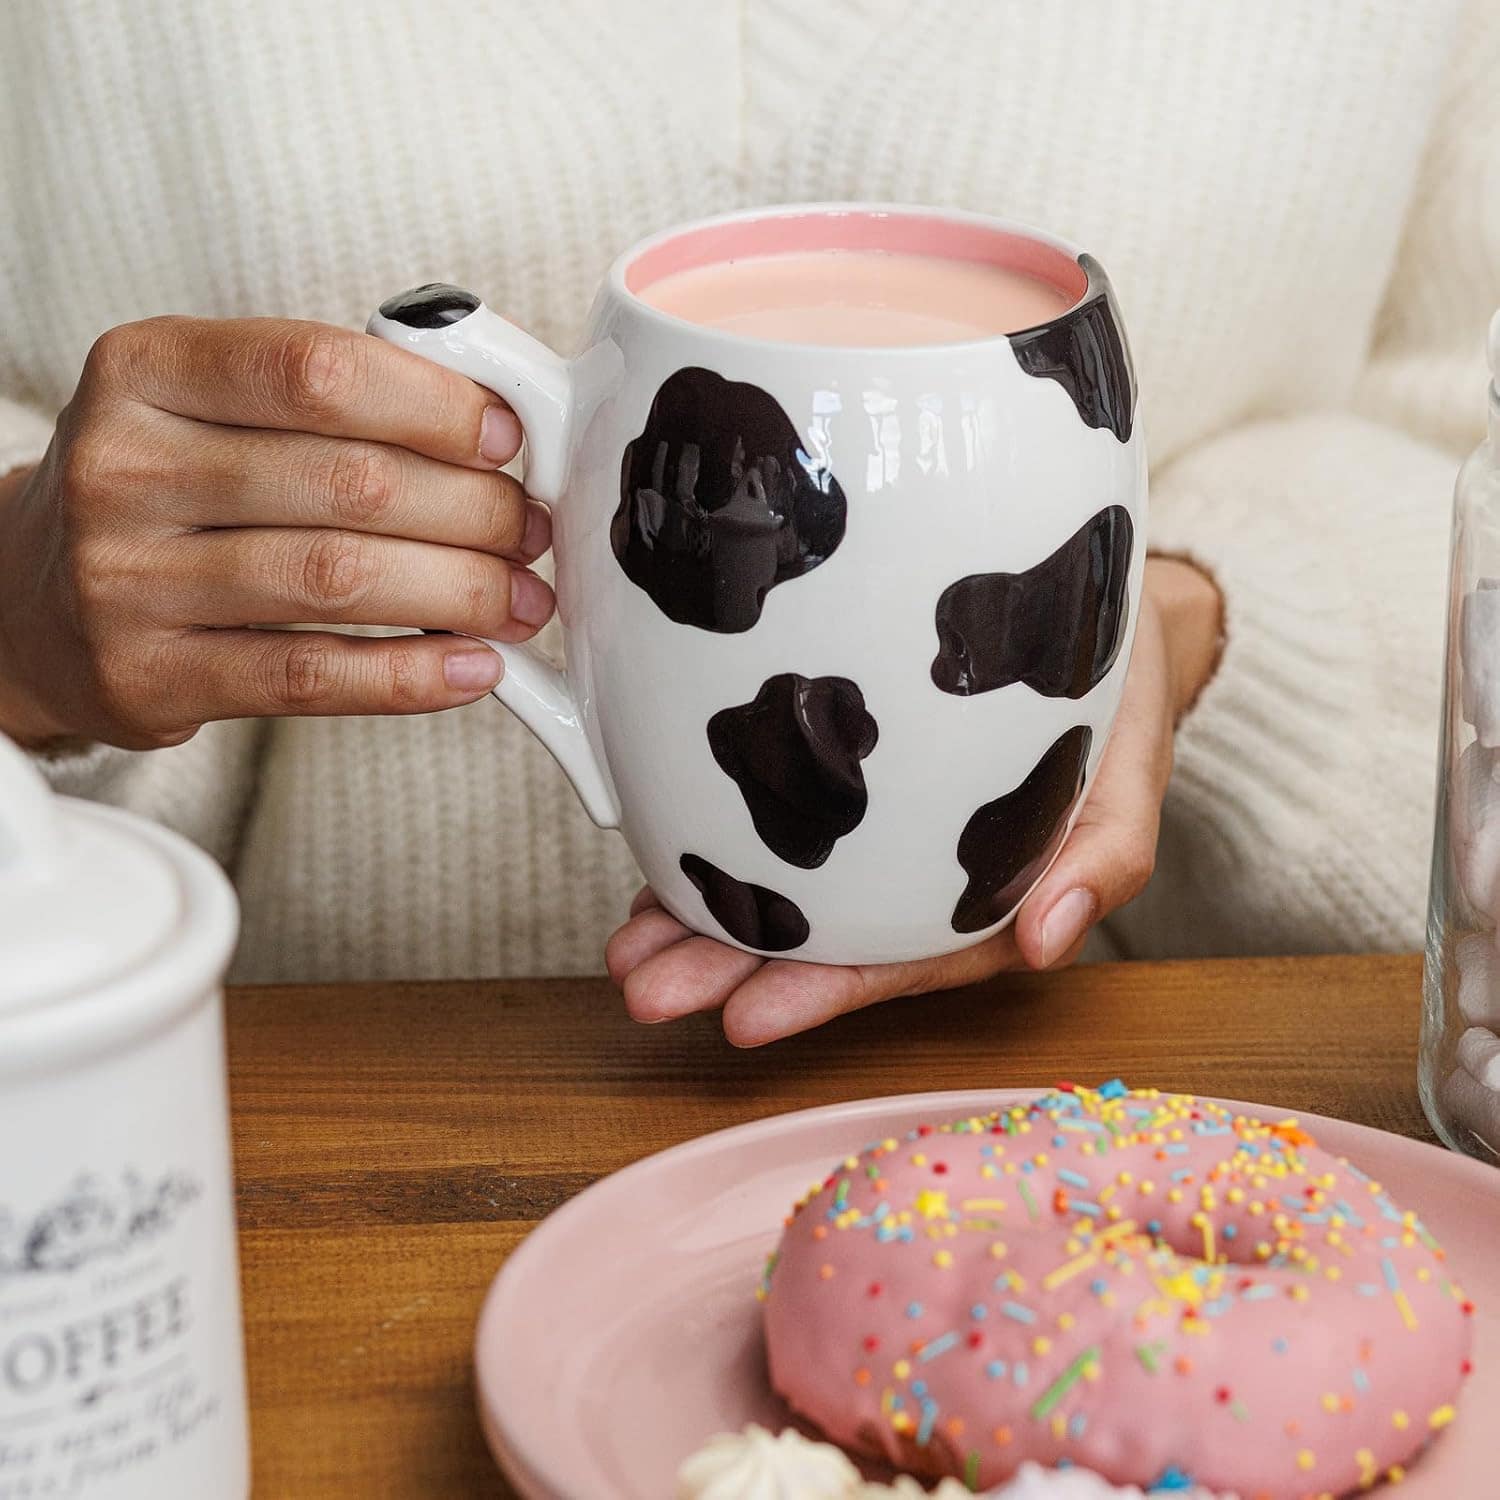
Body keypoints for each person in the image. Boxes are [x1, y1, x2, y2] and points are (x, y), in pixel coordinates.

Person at [1, 1, 1495, 1043]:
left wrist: (1171, 614)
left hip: (1145, 1101)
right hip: (287, 1125)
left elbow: (1467, 436)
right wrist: (20, 613)